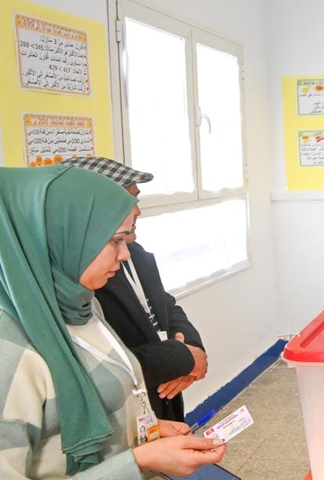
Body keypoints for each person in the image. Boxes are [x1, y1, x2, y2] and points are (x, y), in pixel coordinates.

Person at [0, 165, 225, 478]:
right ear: (63, 237)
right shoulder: (9, 351)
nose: (125, 255)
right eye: (115, 240)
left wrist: (139, 435)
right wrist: (138, 461)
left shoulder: (83, 305)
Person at [58, 156, 207, 422]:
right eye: (126, 201)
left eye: (136, 198)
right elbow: (95, 364)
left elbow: (166, 306)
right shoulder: (76, 277)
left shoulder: (135, 254)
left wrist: (192, 346)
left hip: (162, 392)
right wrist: (179, 357)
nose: (137, 211)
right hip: (121, 407)